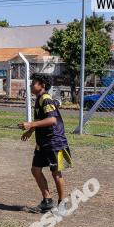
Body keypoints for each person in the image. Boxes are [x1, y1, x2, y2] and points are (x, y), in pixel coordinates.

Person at [18, 74, 72, 213]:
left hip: (54, 142)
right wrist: (31, 130)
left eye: (33, 83)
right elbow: (42, 119)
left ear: (42, 85)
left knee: (56, 173)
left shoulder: (46, 99)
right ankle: (47, 201)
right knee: (35, 170)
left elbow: (52, 120)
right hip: (43, 142)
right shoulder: (39, 99)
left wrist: (31, 124)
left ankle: (62, 204)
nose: (30, 85)